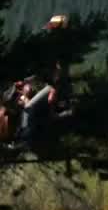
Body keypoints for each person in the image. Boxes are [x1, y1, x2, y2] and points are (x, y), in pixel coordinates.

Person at [14, 15, 72, 145]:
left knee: (28, 106)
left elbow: (60, 72)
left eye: (52, 29)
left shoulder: (61, 49)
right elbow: (44, 73)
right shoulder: (57, 48)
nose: (49, 32)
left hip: (57, 86)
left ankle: (24, 141)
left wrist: (54, 90)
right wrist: (25, 81)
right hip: (51, 84)